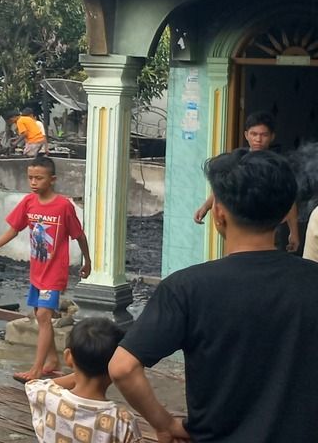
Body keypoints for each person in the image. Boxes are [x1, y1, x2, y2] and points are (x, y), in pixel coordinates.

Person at [110, 149, 318, 442]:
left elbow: (122, 368)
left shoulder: (186, 288)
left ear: (218, 213)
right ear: (285, 214)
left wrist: (165, 424)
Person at [0, 155, 91, 382]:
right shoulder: (29, 202)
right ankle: (52, 361)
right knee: (39, 315)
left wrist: (88, 261)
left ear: (52, 179)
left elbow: (79, 235)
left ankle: (36, 370)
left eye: (39, 178)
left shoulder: (64, 206)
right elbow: (13, 230)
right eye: (30, 178)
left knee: (45, 316)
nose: (34, 182)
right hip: (37, 272)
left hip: (54, 273)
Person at [193, 111, 298, 252]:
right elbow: (223, 186)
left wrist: (294, 233)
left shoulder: (277, 167)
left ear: (272, 137)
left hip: (268, 225)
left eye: (264, 135)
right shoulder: (237, 160)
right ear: (246, 135)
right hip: (239, 224)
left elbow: (289, 200)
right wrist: (205, 207)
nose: (258, 139)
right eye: (254, 134)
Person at [25, 317, 141, 443]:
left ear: (68, 357)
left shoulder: (46, 395)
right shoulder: (122, 421)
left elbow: (32, 384)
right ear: (117, 365)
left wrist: (79, 373)